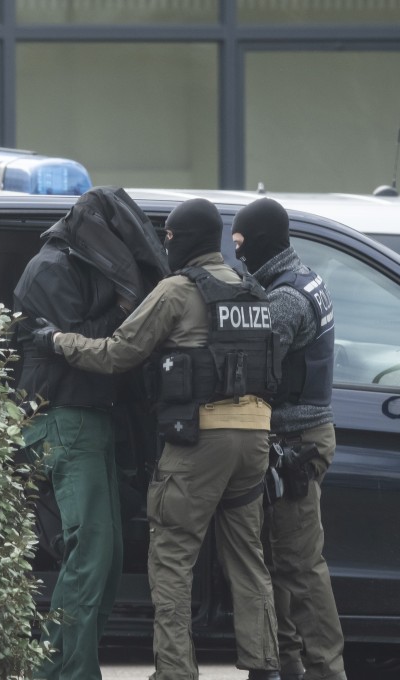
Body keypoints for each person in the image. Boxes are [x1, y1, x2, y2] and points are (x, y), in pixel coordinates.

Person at [31, 197, 283, 680]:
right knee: (249, 560)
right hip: (254, 441)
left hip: (201, 441)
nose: (165, 244)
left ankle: (174, 671)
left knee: (171, 559)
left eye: (170, 236)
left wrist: (57, 341)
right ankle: (265, 667)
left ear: (185, 239)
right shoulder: (253, 291)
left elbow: (117, 353)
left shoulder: (177, 291)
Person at [14, 186, 169, 680]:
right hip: (64, 417)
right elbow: (89, 346)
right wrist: (129, 310)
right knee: (92, 549)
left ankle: (63, 665)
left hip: (92, 421)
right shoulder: (51, 268)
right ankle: (66, 671)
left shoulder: (81, 267)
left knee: (109, 554)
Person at [231, 197, 346, 680]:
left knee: (299, 565)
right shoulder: (296, 277)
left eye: (241, 245)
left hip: (295, 442)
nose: (238, 255)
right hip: (295, 438)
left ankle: (325, 671)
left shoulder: (285, 299)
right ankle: (291, 664)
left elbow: (249, 369)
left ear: (260, 241)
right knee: (280, 561)